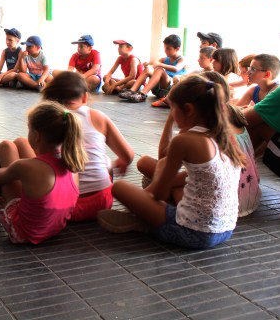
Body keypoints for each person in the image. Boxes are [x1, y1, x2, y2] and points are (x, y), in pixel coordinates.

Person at [98, 75, 245, 249]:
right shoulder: (223, 136)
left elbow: (159, 194)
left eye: (172, 108)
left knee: (120, 188)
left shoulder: (184, 140)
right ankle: (145, 216)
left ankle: (143, 220)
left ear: (188, 109)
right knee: (175, 181)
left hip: (192, 233)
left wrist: (158, 174)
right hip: (225, 229)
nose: (171, 114)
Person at [0, 101, 85, 245]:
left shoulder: (26, 167)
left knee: (5, 146)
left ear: (36, 136)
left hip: (24, 232)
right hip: (54, 227)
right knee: (21, 142)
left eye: (29, 128)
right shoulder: (71, 163)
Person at [139, 72, 260, 217]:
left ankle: (162, 208)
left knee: (147, 165)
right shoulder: (230, 116)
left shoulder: (204, 125)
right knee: (155, 168)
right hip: (249, 197)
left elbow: (164, 156)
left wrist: (171, 117)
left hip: (225, 203)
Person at [43, 71, 134, 221]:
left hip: (65, 208)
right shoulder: (97, 116)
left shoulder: (47, 120)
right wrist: (117, 164)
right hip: (101, 202)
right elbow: (128, 156)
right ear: (85, 96)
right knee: (104, 159)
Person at [118, 34, 186, 103]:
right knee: (149, 68)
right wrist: (147, 66)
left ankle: (142, 94)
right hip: (158, 89)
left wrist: (160, 64)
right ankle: (132, 91)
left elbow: (176, 69)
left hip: (170, 89)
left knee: (159, 70)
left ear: (177, 49)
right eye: (165, 48)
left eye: (168, 48)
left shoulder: (182, 59)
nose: (165, 50)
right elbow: (153, 66)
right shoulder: (164, 59)